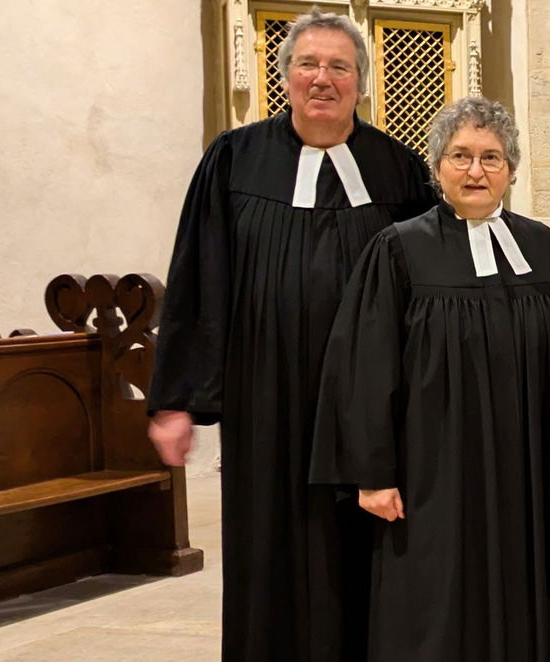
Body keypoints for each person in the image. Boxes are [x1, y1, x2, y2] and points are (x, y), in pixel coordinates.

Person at [145, 9, 434, 660]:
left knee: (367, 546)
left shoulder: (401, 171)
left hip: (369, 404)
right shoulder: (233, 160)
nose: (322, 79)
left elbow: (430, 291)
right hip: (265, 397)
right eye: (308, 64)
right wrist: (178, 398)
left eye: (339, 66)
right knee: (269, 546)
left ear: (362, 81)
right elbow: (198, 276)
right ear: (285, 78)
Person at [308, 96, 550, 661]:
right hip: (433, 471)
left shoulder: (543, 248)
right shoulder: (400, 248)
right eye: (460, 156)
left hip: (525, 469)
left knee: (523, 589)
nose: (476, 171)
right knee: (432, 600)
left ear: (511, 169)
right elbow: (365, 365)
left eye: (492, 158)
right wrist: (372, 474)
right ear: (436, 168)